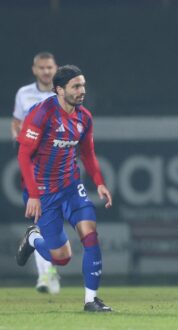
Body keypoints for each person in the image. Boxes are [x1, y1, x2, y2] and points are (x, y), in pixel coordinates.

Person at [15, 65, 113, 312]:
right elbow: (24, 155)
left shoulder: (84, 117)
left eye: (83, 85)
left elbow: (87, 153)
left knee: (90, 235)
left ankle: (91, 300)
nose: (82, 91)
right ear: (59, 89)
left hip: (71, 187)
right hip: (43, 192)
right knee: (62, 257)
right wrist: (34, 195)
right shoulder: (41, 114)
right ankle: (33, 238)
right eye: (76, 86)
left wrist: (99, 182)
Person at [11, 51, 60, 294]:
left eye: (49, 67)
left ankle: (49, 271)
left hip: (58, 164)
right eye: (41, 68)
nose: (46, 72)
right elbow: (16, 122)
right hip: (35, 166)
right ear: (34, 70)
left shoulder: (61, 93)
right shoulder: (24, 94)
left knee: (48, 222)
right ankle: (46, 274)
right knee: (41, 220)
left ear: (55, 68)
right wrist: (18, 140)